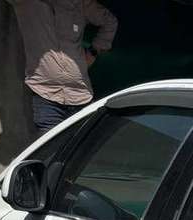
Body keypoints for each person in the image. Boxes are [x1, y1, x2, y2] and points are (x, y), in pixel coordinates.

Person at [6, 0, 118, 133]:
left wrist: (94, 51)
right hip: (46, 96)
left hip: (81, 96)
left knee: (81, 150)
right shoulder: (28, 3)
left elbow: (110, 22)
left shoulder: (79, 4)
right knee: (50, 151)